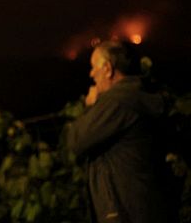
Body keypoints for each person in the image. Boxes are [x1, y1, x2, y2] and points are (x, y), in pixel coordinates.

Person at [66, 40, 173, 222]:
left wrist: (91, 107)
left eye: (94, 67)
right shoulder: (135, 96)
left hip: (125, 210)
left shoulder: (116, 103)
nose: (91, 74)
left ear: (107, 69)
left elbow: (77, 140)